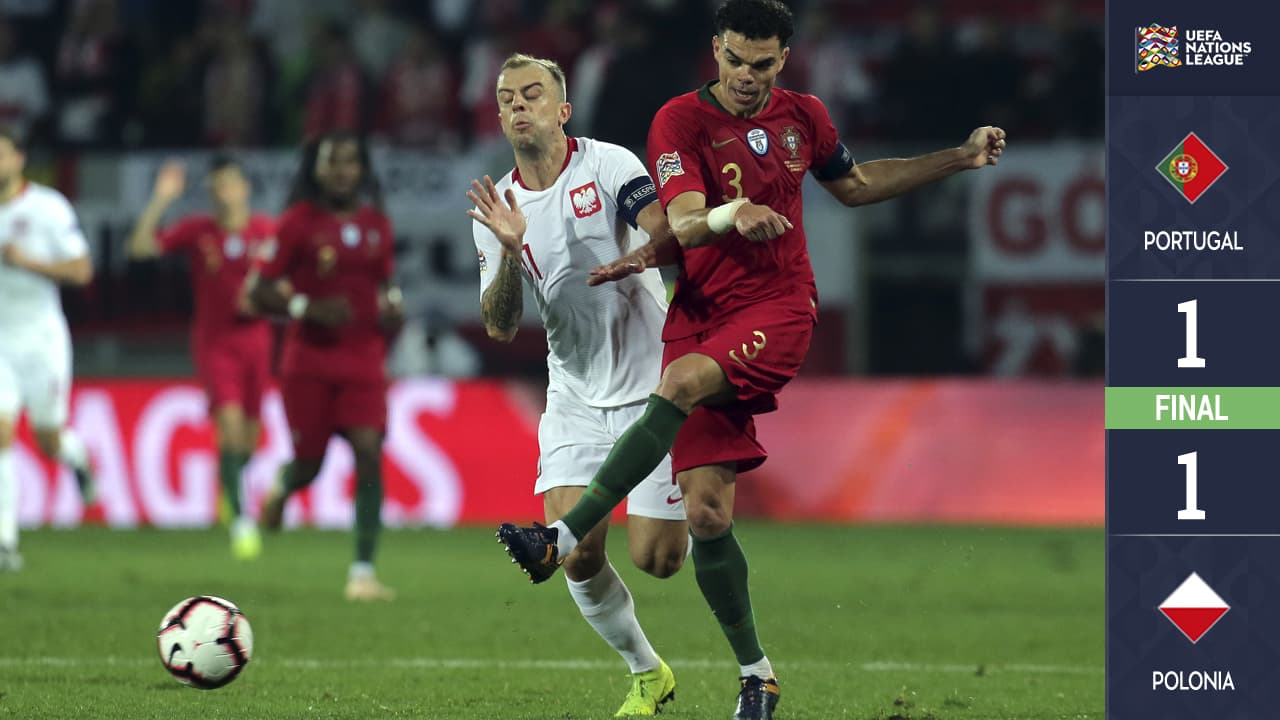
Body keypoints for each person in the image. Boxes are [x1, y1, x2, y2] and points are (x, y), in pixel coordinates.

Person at [496, 2, 1008, 719]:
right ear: (716, 50)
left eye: (762, 64)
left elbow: (855, 187)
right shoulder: (678, 122)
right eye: (734, 60)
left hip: (776, 310)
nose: (745, 76)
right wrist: (708, 225)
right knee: (697, 524)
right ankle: (757, 676)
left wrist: (959, 156)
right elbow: (682, 217)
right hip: (699, 314)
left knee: (675, 384)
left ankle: (561, 534)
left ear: (784, 60)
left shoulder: (805, 117)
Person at [473, 53, 687, 717]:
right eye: (507, 97)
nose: (518, 105)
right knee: (575, 550)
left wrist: (641, 256)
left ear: (563, 110)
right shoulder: (497, 208)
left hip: (653, 386)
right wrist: (509, 252)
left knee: (658, 558)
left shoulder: (610, 164)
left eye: (532, 94)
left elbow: (666, 232)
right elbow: (501, 324)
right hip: (572, 394)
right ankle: (648, 674)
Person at [250, 129, 403, 602]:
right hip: (309, 361)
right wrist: (305, 310)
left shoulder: (377, 224)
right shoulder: (297, 223)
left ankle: (362, 572)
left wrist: (393, 305)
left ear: (362, 169)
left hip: (363, 358)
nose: (341, 172)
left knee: (368, 451)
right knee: (310, 466)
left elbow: (385, 285)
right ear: (316, 169)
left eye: (350, 162)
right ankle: (282, 486)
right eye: (332, 162)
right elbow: (258, 291)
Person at [126, 155, 273, 561]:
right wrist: (160, 200)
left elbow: (290, 279)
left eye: (229, 186)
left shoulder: (266, 230)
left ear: (243, 189)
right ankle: (243, 524)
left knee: (249, 439)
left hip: (257, 340)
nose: (223, 196)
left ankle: (230, 485)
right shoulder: (197, 231)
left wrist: (266, 297)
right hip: (215, 342)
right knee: (227, 425)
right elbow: (139, 247)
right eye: (216, 189)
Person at [0, 126, 96, 572]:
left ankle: (75, 456)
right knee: (1, 431)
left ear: (20, 158)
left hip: (41, 340)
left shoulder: (48, 207)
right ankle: (6, 539)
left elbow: (81, 270)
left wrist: (27, 262)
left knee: (48, 437)